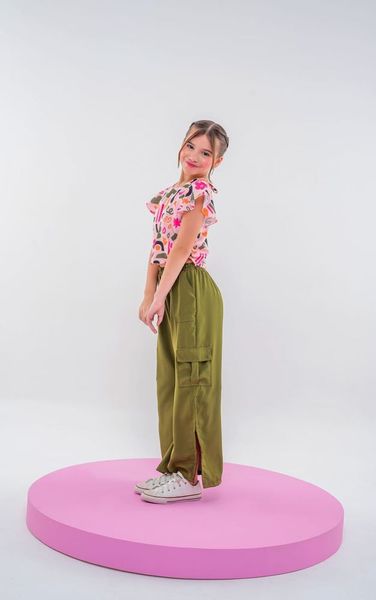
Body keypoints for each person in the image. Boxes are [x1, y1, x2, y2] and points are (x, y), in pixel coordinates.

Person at [135, 119, 229, 504]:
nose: (194, 156)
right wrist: (149, 294)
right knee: (170, 381)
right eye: (191, 145)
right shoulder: (169, 194)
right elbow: (158, 246)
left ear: (216, 162)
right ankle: (174, 467)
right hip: (171, 287)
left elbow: (181, 249)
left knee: (191, 380)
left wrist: (160, 296)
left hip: (189, 288)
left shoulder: (199, 194)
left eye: (206, 152)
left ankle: (189, 475)